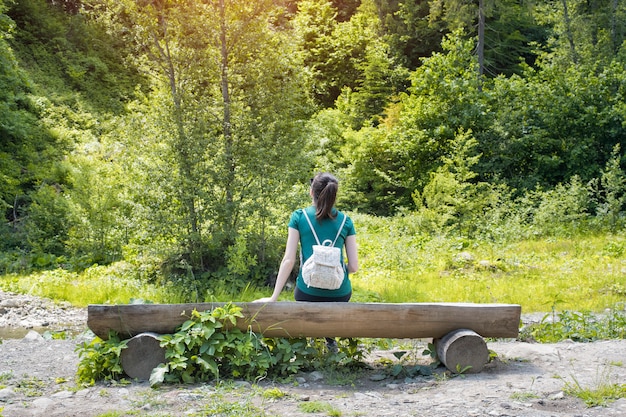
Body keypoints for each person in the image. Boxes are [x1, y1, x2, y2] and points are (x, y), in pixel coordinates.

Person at [254, 172, 358, 351]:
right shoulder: (346, 222)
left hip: (307, 292)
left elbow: (288, 260)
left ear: (312, 192)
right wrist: (333, 273)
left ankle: (310, 340)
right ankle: (330, 340)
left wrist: (274, 297)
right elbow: (354, 266)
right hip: (339, 294)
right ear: (334, 194)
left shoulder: (299, 217)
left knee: (306, 292)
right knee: (334, 296)